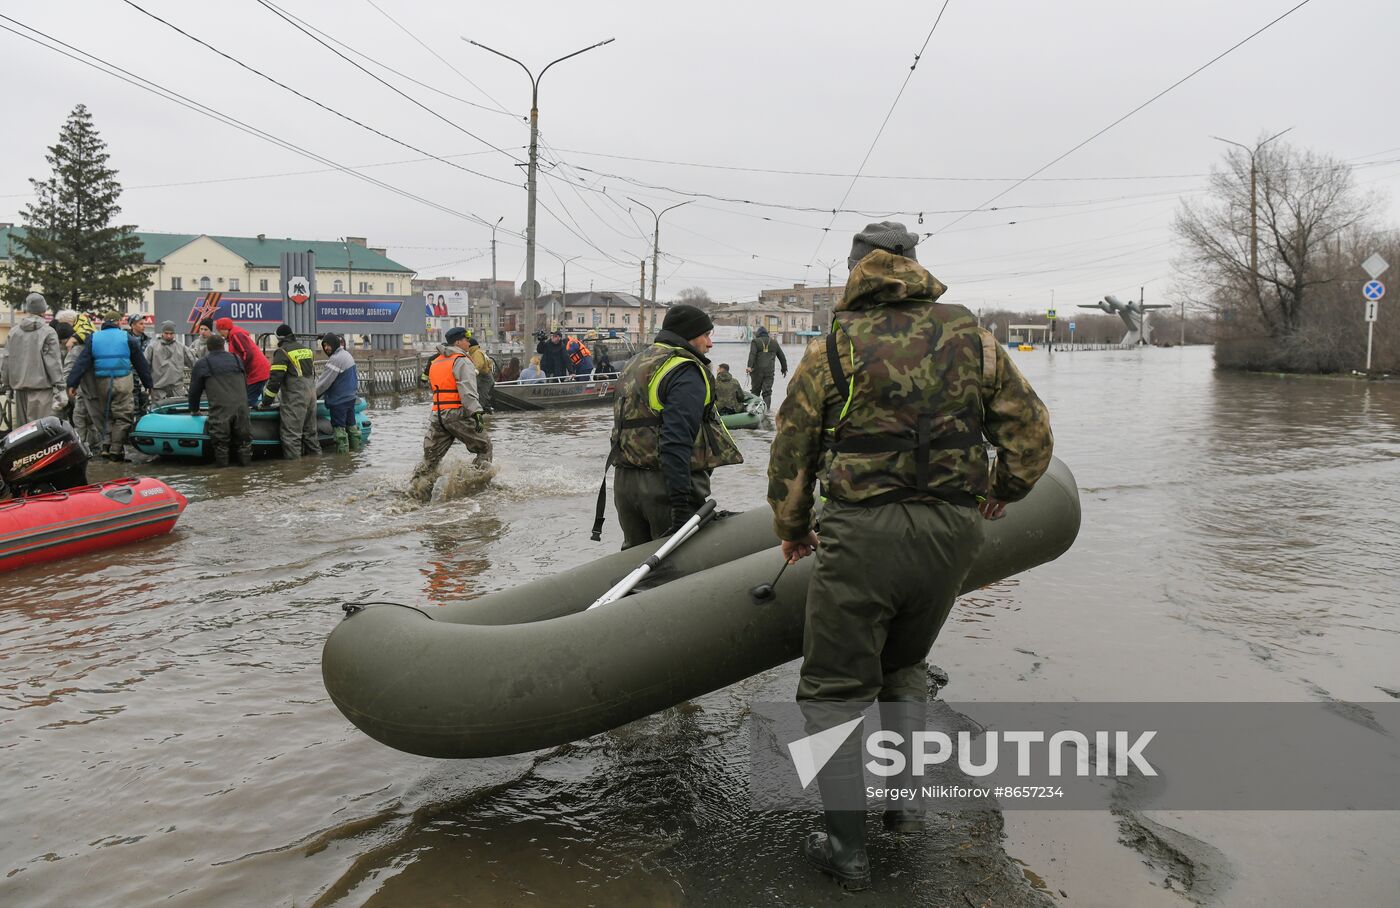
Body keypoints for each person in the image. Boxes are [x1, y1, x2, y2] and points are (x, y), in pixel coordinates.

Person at [766, 222, 1054, 891]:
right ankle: (903, 805)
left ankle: (846, 847)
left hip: (863, 534)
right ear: (916, 266)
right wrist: (998, 492)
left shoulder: (832, 346)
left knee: (835, 689)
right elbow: (1031, 435)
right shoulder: (973, 336)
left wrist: (793, 526)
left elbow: (793, 450)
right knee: (906, 665)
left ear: (853, 270)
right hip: (952, 534)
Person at [602, 304, 743, 549]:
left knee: (636, 565)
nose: (710, 344)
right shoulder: (684, 370)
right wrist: (680, 505)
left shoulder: (636, 362)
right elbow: (676, 439)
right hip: (664, 487)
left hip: (625, 484)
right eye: (706, 335)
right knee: (678, 569)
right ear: (689, 335)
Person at [409, 326, 492, 499]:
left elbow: (434, 387)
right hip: (457, 413)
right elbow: (467, 389)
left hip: (438, 414)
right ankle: (475, 487)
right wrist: (476, 413)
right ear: (458, 342)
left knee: (430, 458)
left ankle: (418, 489)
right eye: (466, 339)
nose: (469, 343)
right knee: (484, 447)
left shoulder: (437, 361)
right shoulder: (461, 360)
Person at [64, 313, 155, 461]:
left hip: (102, 382)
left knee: (106, 414)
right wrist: (148, 384)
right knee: (123, 416)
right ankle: (116, 450)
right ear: (119, 322)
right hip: (123, 381)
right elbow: (141, 363)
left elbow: (82, 362)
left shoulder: (94, 338)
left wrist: (72, 383)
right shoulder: (127, 338)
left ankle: (105, 446)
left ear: (104, 323)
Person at [188, 335, 252, 467]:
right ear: (224, 346)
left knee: (220, 444)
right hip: (242, 407)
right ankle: (246, 472)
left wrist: (194, 410)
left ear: (208, 347)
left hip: (221, 410)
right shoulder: (236, 359)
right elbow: (245, 383)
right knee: (244, 442)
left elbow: (194, 391)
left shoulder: (203, 363)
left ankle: (222, 477)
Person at [1, 293, 65, 426]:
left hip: (19, 391)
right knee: (41, 432)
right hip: (42, 391)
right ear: (44, 309)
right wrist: (60, 386)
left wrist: (7, 385)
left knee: (23, 434)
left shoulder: (13, 332)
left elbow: (6, 360)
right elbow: (53, 362)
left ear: (28, 309)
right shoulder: (48, 332)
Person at [259, 324, 321, 459]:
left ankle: (294, 474)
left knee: (291, 437)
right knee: (311, 434)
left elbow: (275, 380)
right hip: (311, 396)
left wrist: (265, 402)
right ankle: (317, 467)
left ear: (279, 338)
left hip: (295, 397)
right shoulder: (307, 350)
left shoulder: (282, 352)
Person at [315, 333, 361, 453]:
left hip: (339, 400)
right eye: (324, 346)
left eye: (328, 345)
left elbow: (323, 383)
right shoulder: (346, 354)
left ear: (334, 344)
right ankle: (355, 455)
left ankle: (342, 462)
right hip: (350, 398)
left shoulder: (335, 360)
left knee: (339, 431)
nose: (326, 348)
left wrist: (312, 396)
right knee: (352, 427)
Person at [213, 317, 271, 406]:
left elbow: (247, 354)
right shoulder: (233, 336)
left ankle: (251, 417)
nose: (219, 333)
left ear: (225, 329)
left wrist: (241, 370)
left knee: (247, 401)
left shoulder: (236, 335)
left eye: (219, 330)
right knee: (244, 397)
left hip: (257, 372)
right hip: (255, 372)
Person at [146, 320, 197, 403]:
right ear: (162, 332)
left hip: (176, 389)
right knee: (160, 414)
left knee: (178, 413)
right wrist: (146, 385)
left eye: (171, 333)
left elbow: (193, 362)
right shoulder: (152, 347)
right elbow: (145, 367)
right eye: (166, 333)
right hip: (158, 390)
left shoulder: (181, 347)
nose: (169, 336)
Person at [746, 325, 788, 409]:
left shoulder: (755, 341)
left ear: (758, 334)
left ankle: (754, 412)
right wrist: (784, 369)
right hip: (769, 372)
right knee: (767, 392)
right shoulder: (774, 342)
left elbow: (752, 354)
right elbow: (782, 357)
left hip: (756, 372)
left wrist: (749, 366)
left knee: (755, 392)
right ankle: (767, 410)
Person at [466, 336, 495, 413]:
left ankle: (482, 413)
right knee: (483, 395)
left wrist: (474, 372)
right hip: (486, 377)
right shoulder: (479, 351)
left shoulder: (476, 353)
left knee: (482, 396)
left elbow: (479, 364)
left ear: (470, 346)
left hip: (484, 378)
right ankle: (485, 411)